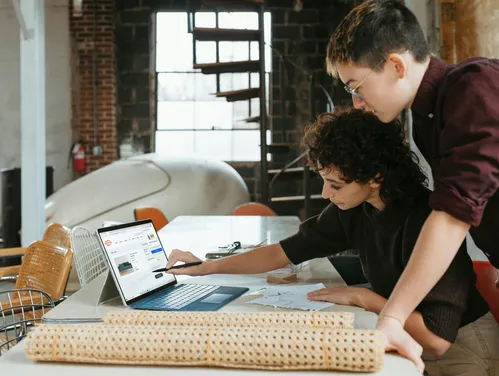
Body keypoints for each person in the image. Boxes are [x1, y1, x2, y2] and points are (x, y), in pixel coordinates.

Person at [165, 108, 497, 375]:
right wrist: (208, 267)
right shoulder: (356, 208)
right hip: (408, 340)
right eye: (324, 182)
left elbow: (438, 341)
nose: (326, 194)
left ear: (374, 178)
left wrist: (365, 297)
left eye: (335, 185)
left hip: (464, 350)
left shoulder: (423, 219)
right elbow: (285, 251)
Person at [324, 0, 499, 371]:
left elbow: (455, 213)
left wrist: (391, 317)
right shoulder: (426, 116)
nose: (357, 104)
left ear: (396, 65)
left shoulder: (473, 86)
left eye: (357, 87)